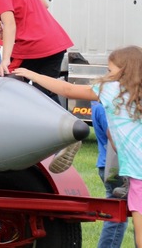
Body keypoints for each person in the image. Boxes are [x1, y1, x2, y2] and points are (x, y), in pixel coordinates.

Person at [14, 46, 142, 247]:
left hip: (138, 174)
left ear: (124, 70)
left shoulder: (111, 89)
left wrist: (33, 75)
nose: (107, 75)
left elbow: (68, 90)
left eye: (110, 70)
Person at [91, 100, 130, 247]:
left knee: (116, 215)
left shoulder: (98, 105)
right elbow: (116, 139)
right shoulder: (105, 107)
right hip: (117, 167)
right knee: (117, 218)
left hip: (108, 165)